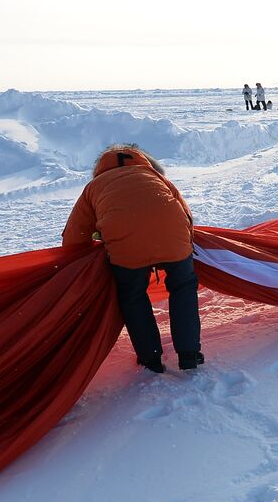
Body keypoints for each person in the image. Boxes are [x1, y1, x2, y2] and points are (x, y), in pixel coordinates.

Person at [62, 145, 203, 373]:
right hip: (173, 237)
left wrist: (77, 260)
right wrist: (186, 243)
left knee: (133, 296)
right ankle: (189, 354)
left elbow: (75, 235)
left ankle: (151, 359)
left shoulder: (94, 186)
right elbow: (185, 212)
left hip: (127, 250)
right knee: (183, 287)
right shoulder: (154, 176)